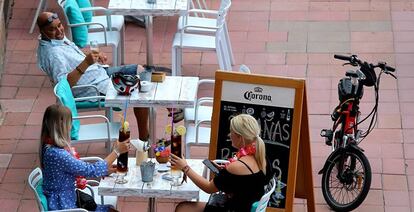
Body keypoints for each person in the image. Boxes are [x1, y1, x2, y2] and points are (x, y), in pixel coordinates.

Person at [39, 104, 130, 211]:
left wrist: (106, 170)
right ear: (61, 125)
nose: (71, 127)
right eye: (69, 123)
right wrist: (117, 151)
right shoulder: (58, 154)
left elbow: (74, 170)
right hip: (65, 206)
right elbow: (90, 170)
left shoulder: (48, 147)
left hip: (64, 200)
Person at [171, 114, 268, 212]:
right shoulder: (261, 157)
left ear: (240, 137)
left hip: (233, 208)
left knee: (182, 208)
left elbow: (208, 188)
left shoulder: (235, 168)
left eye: (231, 132)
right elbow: (247, 183)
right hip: (246, 206)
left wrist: (185, 167)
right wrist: (226, 173)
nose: (229, 135)